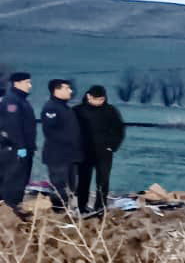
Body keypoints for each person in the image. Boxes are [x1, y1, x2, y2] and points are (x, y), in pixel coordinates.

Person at [74, 85, 126, 213]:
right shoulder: (77, 111)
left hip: (104, 152)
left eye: (102, 99)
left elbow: (119, 130)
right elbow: (71, 131)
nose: (99, 102)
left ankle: (100, 207)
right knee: (83, 181)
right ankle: (82, 206)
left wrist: (112, 147)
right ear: (88, 96)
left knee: (103, 181)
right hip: (84, 151)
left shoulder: (111, 111)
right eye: (96, 99)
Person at [40, 79, 85, 212]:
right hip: (57, 156)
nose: (70, 91)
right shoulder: (51, 108)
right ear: (57, 90)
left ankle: (67, 211)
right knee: (59, 186)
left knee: (71, 187)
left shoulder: (66, 108)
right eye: (67, 88)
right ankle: (59, 212)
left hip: (70, 156)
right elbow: (50, 132)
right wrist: (68, 144)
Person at [0, 71, 37, 213]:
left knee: (20, 179)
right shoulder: (12, 101)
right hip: (15, 149)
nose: (30, 85)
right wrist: (21, 147)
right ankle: (11, 208)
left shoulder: (20, 100)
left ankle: (13, 206)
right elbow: (13, 126)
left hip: (24, 148)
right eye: (27, 82)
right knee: (14, 179)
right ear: (17, 83)